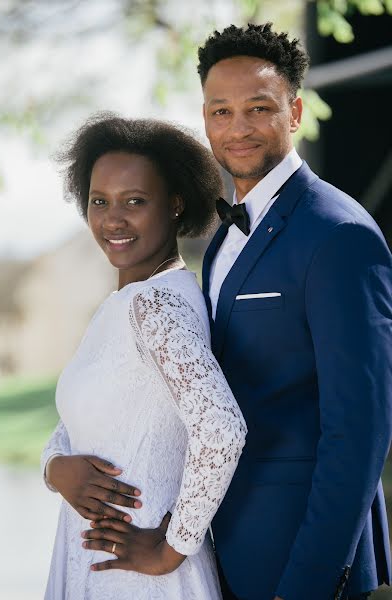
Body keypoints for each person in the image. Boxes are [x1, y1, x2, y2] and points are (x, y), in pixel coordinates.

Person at [197, 23, 392, 600]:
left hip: (302, 561)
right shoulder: (221, 239)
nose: (238, 129)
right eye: (221, 111)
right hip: (225, 549)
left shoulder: (339, 234)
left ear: (295, 111)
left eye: (259, 108)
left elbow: (359, 431)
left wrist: (309, 582)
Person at [41, 114, 247, 600]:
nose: (113, 219)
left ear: (175, 204)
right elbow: (80, 421)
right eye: (99, 201)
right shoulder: (126, 302)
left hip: (136, 572)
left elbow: (221, 428)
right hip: (98, 558)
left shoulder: (156, 305)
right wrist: (54, 469)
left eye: (135, 201)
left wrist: (173, 547)